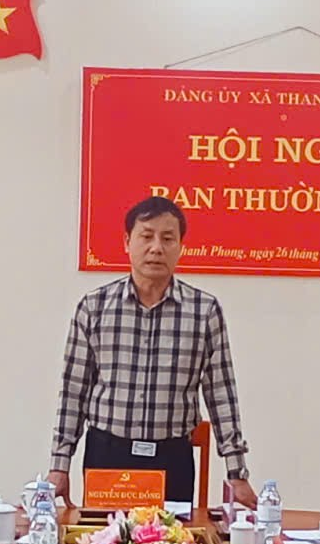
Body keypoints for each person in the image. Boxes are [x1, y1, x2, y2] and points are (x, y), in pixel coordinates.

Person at [48, 195, 253, 510]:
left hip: (172, 458)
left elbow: (221, 394)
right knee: (104, 539)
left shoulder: (204, 311)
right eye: (146, 236)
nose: (156, 248)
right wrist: (59, 465)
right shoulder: (94, 307)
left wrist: (237, 473)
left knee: (173, 540)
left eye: (167, 238)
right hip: (107, 456)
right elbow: (74, 392)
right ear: (127, 242)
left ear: (181, 247)